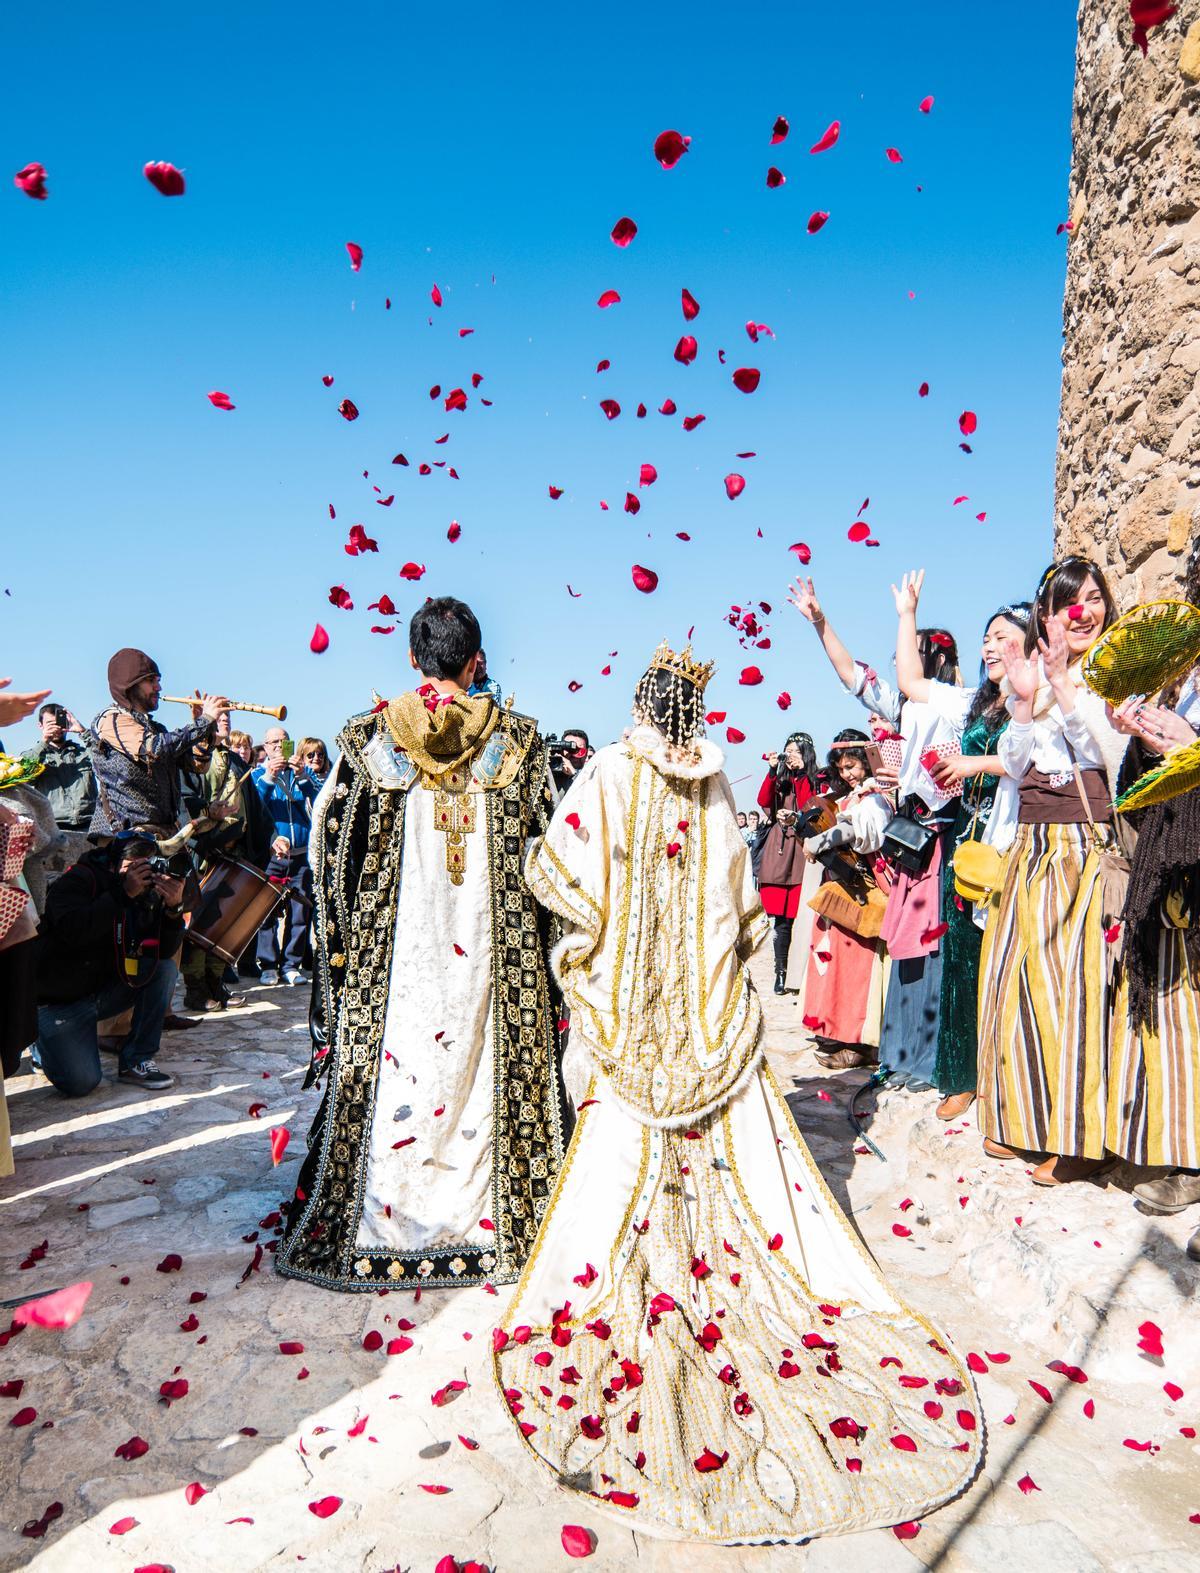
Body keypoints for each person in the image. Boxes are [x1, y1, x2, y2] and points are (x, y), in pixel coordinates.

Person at [493, 640, 982, 1543]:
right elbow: (738, 904)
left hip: (631, 1016)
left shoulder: (607, 770)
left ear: (642, 704)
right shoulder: (715, 785)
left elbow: (559, 873)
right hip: (708, 1021)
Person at [276, 596, 568, 1292]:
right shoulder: (521, 744)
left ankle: (375, 1226)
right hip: (493, 961)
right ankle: (499, 1222)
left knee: (400, 1065)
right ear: (475, 661)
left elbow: (329, 856)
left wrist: (346, 951)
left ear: (412, 658)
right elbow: (554, 858)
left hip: (397, 959)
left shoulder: (367, 741)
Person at [975, 558, 1125, 1186]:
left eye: (1093, 598)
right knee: (1016, 983)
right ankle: (1023, 1117)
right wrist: (1021, 700)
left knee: (1074, 989)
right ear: (1047, 615)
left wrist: (1061, 684)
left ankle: (1080, 1138)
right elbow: (1014, 762)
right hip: (1031, 846)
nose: (1083, 612)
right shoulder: (1036, 670)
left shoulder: (1115, 669)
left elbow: (1106, 755)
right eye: (1069, 603)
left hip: (1081, 845)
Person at [790, 576, 963, 1089]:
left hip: (945, 835)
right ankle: (902, 1053)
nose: (898, 664)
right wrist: (820, 623)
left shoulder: (962, 707)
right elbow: (854, 676)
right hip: (907, 842)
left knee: (935, 948)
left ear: (934, 661)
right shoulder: (905, 710)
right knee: (907, 944)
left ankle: (932, 1058)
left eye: (910, 653)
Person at [893, 588, 1034, 1119]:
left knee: (1003, 956)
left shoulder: (1037, 697)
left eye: (1002, 637)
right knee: (961, 956)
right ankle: (960, 1075)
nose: (989, 646)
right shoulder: (975, 699)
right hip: (967, 838)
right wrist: (907, 614)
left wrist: (976, 764)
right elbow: (911, 683)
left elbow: (1029, 758)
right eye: (986, 638)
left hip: (1011, 833)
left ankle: (1002, 1076)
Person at [33, 832, 186, 1094]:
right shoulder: (79, 880)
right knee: (80, 1083)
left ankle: (136, 1059)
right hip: (60, 1001)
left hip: (103, 992)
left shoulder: (145, 891)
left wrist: (174, 909)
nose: (139, 873)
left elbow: (161, 952)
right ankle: (40, 1038)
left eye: (145, 865)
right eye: (132, 866)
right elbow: (73, 932)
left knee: (162, 969)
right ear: (114, 864)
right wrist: (122, 894)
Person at [800, 730, 893, 1069]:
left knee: (858, 965)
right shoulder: (847, 796)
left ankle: (861, 1042)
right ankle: (836, 1030)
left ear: (866, 762)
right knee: (834, 960)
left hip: (863, 891)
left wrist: (822, 840)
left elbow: (859, 832)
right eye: (841, 768)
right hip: (839, 887)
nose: (847, 774)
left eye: (851, 766)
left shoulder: (875, 795)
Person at [179, 710, 275, 1012]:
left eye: (228, 715)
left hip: (234, 853)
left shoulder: (234, 760)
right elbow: (184, 801)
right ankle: (196, 989)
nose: (226, 719)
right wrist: (206, 830)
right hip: (205, 853)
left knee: (224, 924)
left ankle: (216, 984)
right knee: (199, 924)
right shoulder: (190, 757)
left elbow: (255, 807)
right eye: (218, 715)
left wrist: (272, 838)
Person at [88, 649, 228, 837]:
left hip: (164, 832)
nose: (158, 687)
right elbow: (153, 750)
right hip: (126, 835)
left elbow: (197, 765)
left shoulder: (156, 728)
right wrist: (203, 722)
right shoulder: (110, 719)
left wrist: (203, 733)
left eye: (158, 680)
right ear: (130, 685)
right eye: (151, 681)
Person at [251, 726, 320, 986]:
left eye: (284, 741)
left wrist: (302, 776)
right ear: (265, 747)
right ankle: (268, 965)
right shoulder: (257, 775)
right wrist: (270, 777)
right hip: (271, 857)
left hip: (300, 856)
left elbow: (319, 798)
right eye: (274, 743)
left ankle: (291, 964)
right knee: (266, 912)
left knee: (300, 912)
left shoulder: (302, 774)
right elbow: (254, 806)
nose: (280, 746)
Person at [757, 733, 820, 994]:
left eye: (796, 751)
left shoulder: (815, 778)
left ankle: (798, 973)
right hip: (780, 849)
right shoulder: (780, 780)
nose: (791, 755)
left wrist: (802, 773)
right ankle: (780, 972)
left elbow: (809, 806)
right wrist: (773, 771)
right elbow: (763, 801)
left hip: (803, 849)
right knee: (781, 920)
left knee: (801, 916)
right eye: (788, 750)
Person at [24, 703, 97, 830]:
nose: (56, 727)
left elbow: (107, 762)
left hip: (91, 823)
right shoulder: (33, 755)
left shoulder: (83, 753)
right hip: (54, 826)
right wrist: (44, 742)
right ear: (40, 726)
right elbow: (25, 776)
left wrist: (83, 732)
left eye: (59, 722)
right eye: (50, 724)